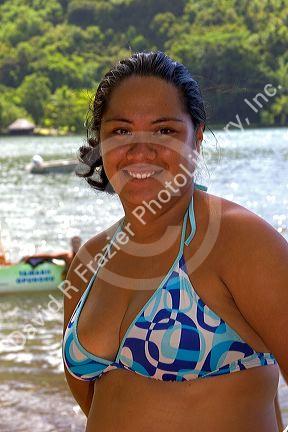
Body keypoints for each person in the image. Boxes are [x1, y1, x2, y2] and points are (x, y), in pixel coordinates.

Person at [62, 52, 288, 431]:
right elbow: (96, 402)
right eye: (121, 131)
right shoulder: (89, 261)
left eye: (164, 130)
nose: (140, 151)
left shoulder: (238, 241)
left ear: (196, 139)